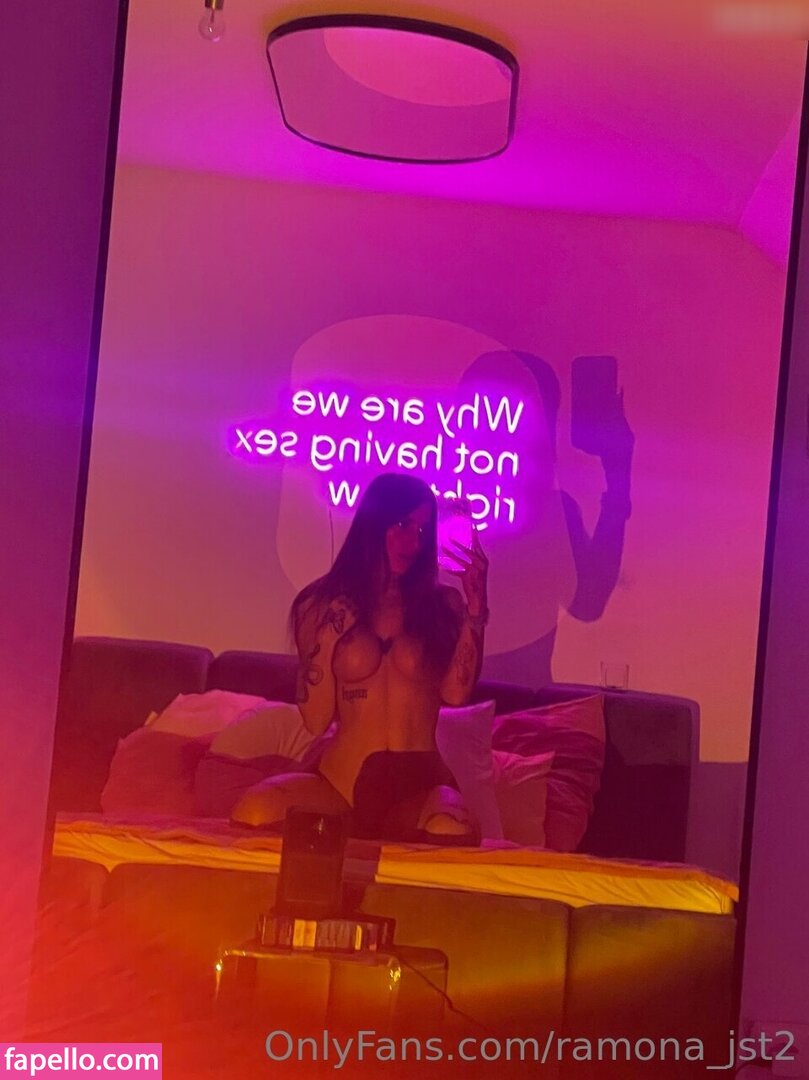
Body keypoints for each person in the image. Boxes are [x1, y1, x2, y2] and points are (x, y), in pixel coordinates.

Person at [231, 473, 490, 843]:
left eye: (421, 530)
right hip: (341, 786)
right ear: (374, 523)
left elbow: (456, 694)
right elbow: (316, 720)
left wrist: (476, 611)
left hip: (419, 786)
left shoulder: (441, 606)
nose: (412, 541)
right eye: (402, 525)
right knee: (254, 810)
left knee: (451, 826)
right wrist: (328, 639)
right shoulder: (320, 603)